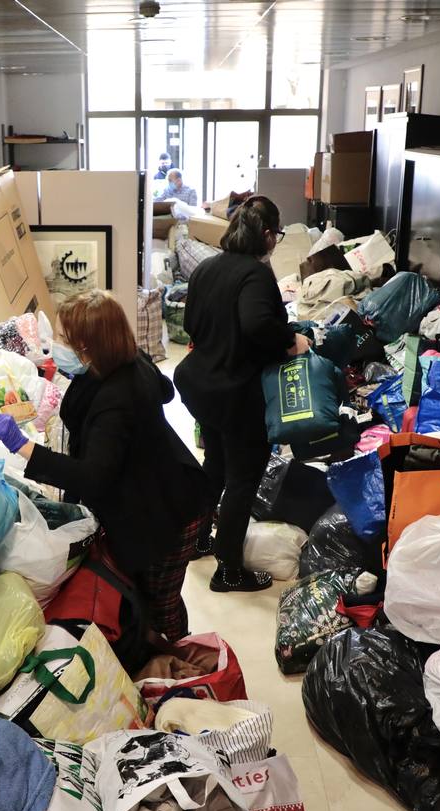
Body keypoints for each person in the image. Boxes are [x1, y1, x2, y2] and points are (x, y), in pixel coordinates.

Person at [0, 290, 211, 641]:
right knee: (144, 594)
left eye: (63, 339)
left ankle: (181, 664)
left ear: (88, 347)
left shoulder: (117, 399)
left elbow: (93, 476)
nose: (56, 344)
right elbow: (162, 391)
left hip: (167, 512)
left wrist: (24, 446)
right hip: (153, 489)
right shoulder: (125, 360)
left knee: (161, 605)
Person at [174, 196, 311, 592]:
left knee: (215, 464)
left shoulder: (207, 268)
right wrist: (290, 341)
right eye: (278, 236)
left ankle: (197, 539)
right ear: (267, 235)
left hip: (201, 384)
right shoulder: (255, 274)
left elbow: (191, 323)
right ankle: (229, 569)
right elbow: (255, 324)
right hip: (235, 392)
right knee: (241, 479)